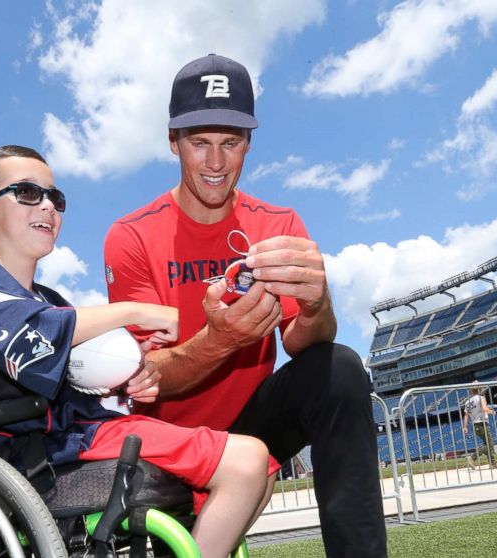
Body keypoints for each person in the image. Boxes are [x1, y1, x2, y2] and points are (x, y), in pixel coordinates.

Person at [103, 54, 387, 557]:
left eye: (230, 143)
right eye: (200, 143)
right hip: (168, 439)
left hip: (249, 423)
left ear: (249, 144)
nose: (215, 163)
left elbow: (304, 343)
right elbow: (149, 377)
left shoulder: (278, 223)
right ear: (173, 142)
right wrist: (221, 340)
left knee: (341, 368)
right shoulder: (131, 236)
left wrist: (318, 302)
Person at [0, 145, 272, 556]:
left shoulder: (49, 299)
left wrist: (131, 374)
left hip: (74, 433)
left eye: (54, 198)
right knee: (248, 461)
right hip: (28, 451)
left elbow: (77, 370)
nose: (48, 206)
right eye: (27, 193)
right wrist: (131, 311)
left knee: (263, 469)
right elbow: (30, 349)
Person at [463, 384, 497, 469]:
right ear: (479, 390)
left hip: (475, 425)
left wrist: (465, 427)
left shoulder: (467, 402)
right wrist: (492, 412)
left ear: (471, 390)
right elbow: (484, 409)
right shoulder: (481, 398)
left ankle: (492, 463)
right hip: (482, 424)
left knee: (486, 444)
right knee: (489, 445)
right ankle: (472, 457)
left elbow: (466, 415)